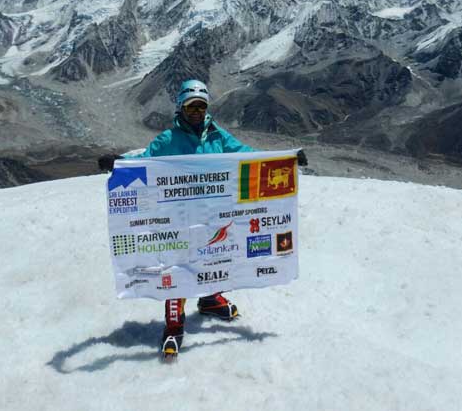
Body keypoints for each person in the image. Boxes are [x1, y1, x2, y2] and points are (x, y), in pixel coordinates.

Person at [99, 79, 308, 358]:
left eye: (201, 106)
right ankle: (174, 325)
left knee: (218, 256)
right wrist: (118, 162)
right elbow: (145, 161)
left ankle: (210, 299)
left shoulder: (218, 136)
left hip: (213, 214)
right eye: (191, 106)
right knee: (178, 268)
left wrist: (288, 159)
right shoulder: (168, 140)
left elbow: (247, 156)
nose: (196, 111)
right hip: (180, 218)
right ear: (180, 107)